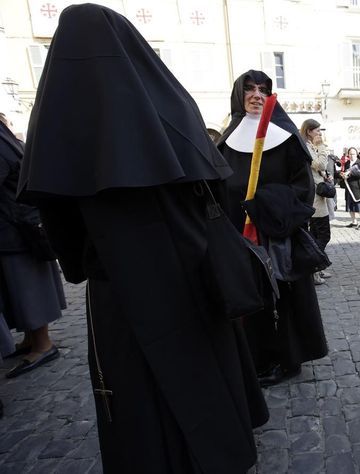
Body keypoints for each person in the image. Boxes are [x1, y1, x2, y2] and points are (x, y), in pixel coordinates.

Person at [18, 5, 268, 472]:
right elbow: (214, 185)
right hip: (193, 270)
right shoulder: (173, 103)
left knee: (137, 391)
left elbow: (58, 220)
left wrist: (82, 264)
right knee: (204, 368)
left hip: (120, 286)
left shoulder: (55, 119)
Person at [216, 70, 328, 386]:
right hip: (241, 236)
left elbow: (303, 188)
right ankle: (256, 356)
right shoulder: (227, 142)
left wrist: (264, 205)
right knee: (251, 298)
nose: (256, 94)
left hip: (276, 234)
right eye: (249, 89)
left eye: (263, 89)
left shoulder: (286, 138)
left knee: (281, 299)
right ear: (239, 95)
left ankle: (286, 359)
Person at [0, 116, 65, 379]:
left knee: (27, 289)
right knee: (20, 289)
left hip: (17, 229)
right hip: (19, 225)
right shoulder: (6, 137)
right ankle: (31, 340)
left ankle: (42, 344)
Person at [300, 118, 333, 285]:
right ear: (309, 131)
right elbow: (319, 164)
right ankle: (314, 268)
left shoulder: (310, 146)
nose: (320, 134)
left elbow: (320, 169)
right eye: (317, 130)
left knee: (315, 235)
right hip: (314, 199)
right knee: (323, 234)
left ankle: (317, 267)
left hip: (318, 196)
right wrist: (321, 147)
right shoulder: (306, 147)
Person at [341, 147, 360, 229]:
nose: (351, 155)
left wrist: (349, 174)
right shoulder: (347, 163)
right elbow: (344, 171)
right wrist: (343, 175)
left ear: (356, 154)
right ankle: (354, 221)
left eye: (353, 154)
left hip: (358, 187)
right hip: (349, 187)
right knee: (350, 205)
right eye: (350, 154)